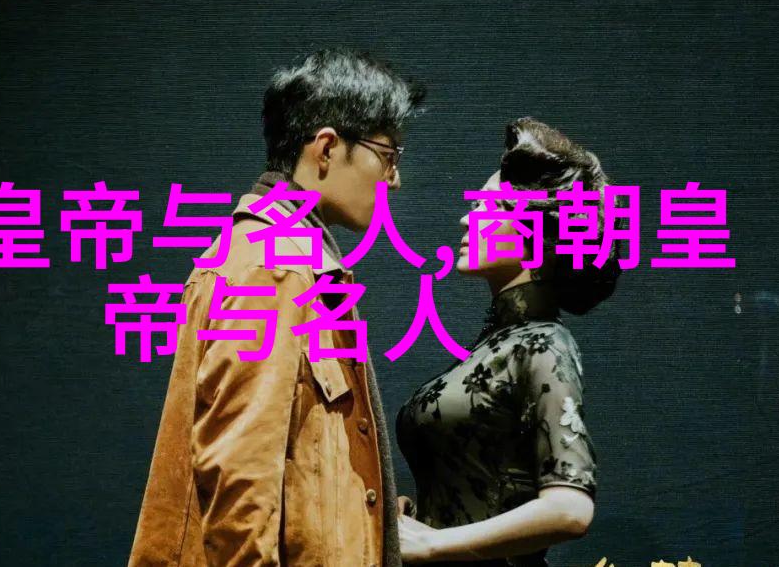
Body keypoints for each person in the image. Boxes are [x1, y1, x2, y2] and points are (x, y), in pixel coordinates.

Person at [129, 48, 425, 566]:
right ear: (327, 148)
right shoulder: (273, 266)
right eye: (387, 154)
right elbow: (241, 484)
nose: (394, 178)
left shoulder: (289, 258)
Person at [395, 117, 622, 566]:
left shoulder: (545, 345)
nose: (467, 218)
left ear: (538, 231)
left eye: (488, 206)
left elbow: (570, 509)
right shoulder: (502, 344)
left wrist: (432, 544)